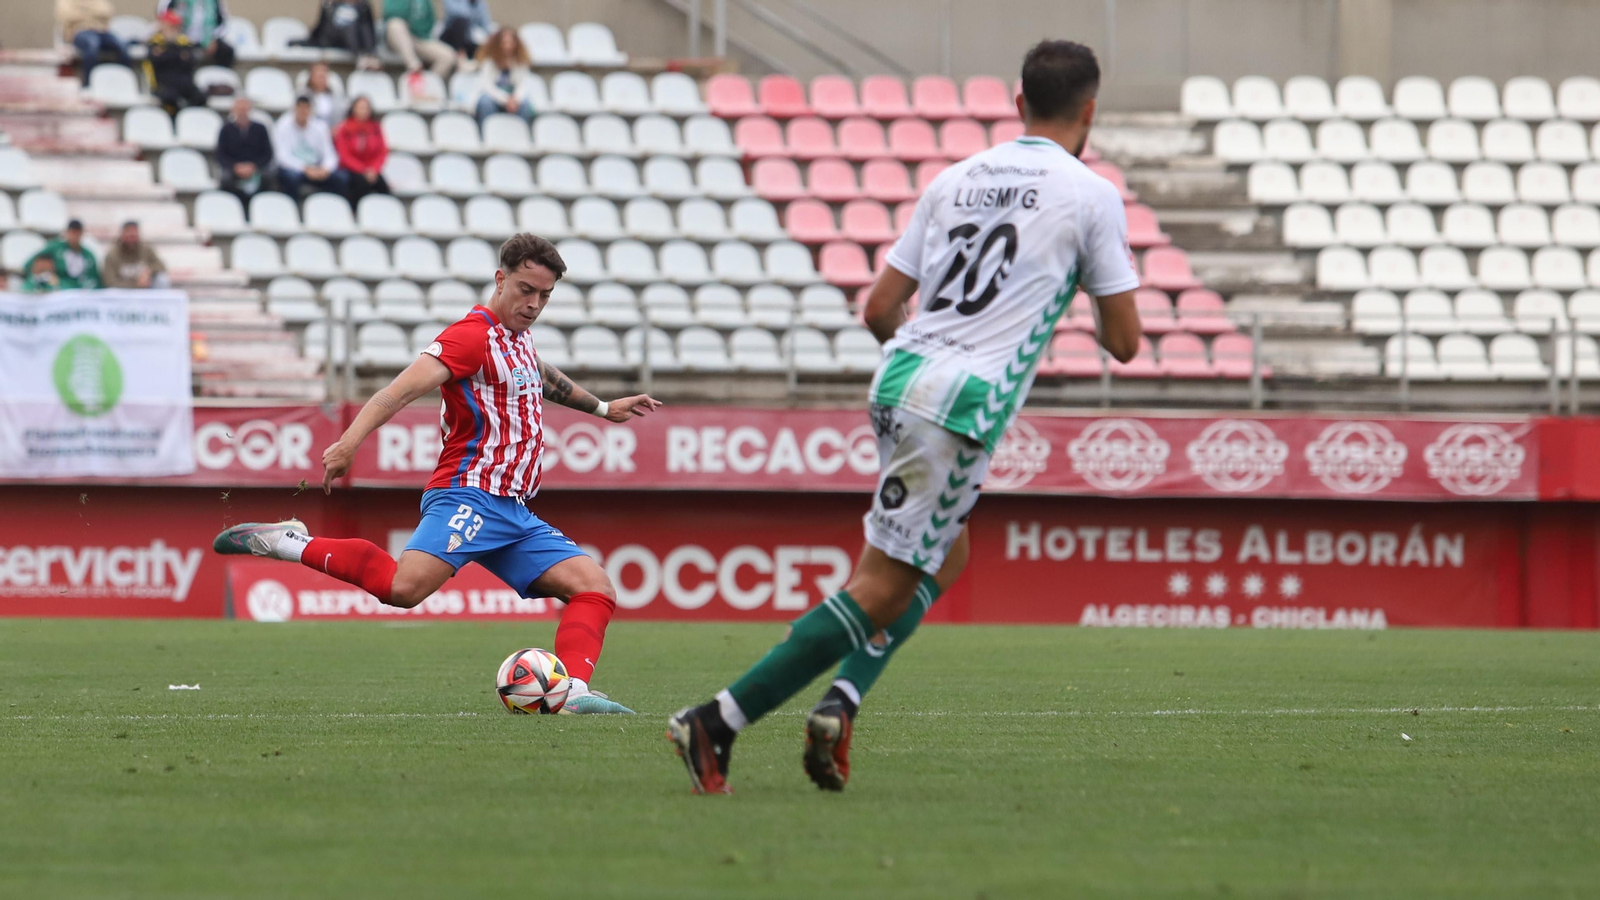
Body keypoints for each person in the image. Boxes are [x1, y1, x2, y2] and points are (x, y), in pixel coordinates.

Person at [666, 40, 1144, 795]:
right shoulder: (1090, 195)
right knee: (884, 586)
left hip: (898, 376)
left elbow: (879, 308)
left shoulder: (954, 179)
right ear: (1090, 111)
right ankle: (717, 719)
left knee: (938, 557)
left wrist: (925, 368)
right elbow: (1124, 342)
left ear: (1017, 103)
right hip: (959, 404)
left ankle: (841, 699)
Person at [213, 234, 664, 715]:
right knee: (404, 590)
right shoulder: (469, 336)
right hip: (468, 496)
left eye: (545, 295)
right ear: (500, 279)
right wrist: (348, 443)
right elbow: (396, 392)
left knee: (594, 588)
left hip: (512, 508)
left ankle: (571, 692)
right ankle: (289, 541)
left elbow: (540, 374)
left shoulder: (517, 340)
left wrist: (601, 408)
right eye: (526, 290)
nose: (534, 304)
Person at [275, 95, 345, 199]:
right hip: (296, 169)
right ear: (294, 109)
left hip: (317, 168)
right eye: (300, 108)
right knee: (290, 177)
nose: (303, 112)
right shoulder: (282, 126)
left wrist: (325, 168)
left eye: (306, 108)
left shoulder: (321, 127)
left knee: (341, 178)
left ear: (311, 110)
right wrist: (305, 168)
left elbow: (330, 154)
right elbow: (282, 157)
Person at [143, 10, 207, 113]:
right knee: (170, 98)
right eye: (171, 26)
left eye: (176, 26)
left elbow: (190, 61)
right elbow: (157, 61)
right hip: (163, 84)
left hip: (183, 83)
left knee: (200, 97)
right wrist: (177, 54)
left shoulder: (184, 42)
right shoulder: (154, 41)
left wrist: (167, 52)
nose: (175, 29)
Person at [58, 0, 132, 88]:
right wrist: (93, 12)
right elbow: (68, 16)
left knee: (122, 45)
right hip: (79, 32)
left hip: (102, 31)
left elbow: (107, 12)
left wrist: (82, 10)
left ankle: (123, 84)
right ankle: (88, 85)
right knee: (92, 45)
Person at [217, 96, 276, 202]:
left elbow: (268, 154)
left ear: (250, 110)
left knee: (269, 179)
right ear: (233, 110)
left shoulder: (260, 128)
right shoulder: (226, 129)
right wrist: (235, 167)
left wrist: (253, 166)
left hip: (256, 169)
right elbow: (221, 155)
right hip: (233, 170)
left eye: (244, 109)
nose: (242, 112)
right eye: (239, 109)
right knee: (226, 181)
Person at [471, 27, 535, 124]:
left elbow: (523, 84)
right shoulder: (489, 61)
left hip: (513, 96)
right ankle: (486, 132)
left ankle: (521, 134)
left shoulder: (521, 61)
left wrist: (515, 99)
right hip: (494, 97)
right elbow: (487, 86)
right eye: (504, 42)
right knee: (485, 102)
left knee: (525, 104)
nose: (507, 46)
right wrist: (506, 100)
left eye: (510, 42)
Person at [334, 96, 389, 204]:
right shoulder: (345, 128)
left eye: (365, 108)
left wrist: (374, 169)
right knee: (360, 184)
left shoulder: (375, 128)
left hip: (372, 170)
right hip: (352, 169)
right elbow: (344, 155)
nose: (363, 111)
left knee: (383, 186)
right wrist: (362, 170)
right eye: (360, 108)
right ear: (353, 109)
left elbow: (382, 151)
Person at [383, 0, 453, 80]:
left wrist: (420, 32)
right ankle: (414, 66)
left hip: (419, 38)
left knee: (448, 56)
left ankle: (427, 85)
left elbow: (430, 20)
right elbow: (390, 14)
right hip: (399, 37)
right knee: (395, 25)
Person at [28, 220, 105, 291]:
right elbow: (32, 263)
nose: (75, 236)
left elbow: (95, 278)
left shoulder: (88, 255)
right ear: (67, 233)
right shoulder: (55, 248)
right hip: (60, 286)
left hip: (81, 288)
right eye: (72, 233)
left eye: (77, 233)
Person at [154, 0, 234, 68]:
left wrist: (213, 38)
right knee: (175, 52)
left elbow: (223, 22)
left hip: (206, 39)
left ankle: (221, 80)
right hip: (181, 38)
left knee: (226, 51)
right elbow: (162, 14)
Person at [306, 0, 379, 70]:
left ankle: (370, 55)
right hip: (334, 39)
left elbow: (370, 28)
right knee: (349, 29)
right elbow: (322, 27)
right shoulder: (330, 5)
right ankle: (360, 58)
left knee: (364, 26)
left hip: (356, 39)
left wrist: (362, 7)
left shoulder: (363, 6)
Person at [103, 221, 170, 289]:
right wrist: (135, 284)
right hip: (123, 291)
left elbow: (161, 266)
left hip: (145, 290)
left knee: (161, 279)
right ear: (122, 235)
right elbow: (110, 282)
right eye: (129, 235)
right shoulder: (112, 254)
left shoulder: (146, 249)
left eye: (134, 235)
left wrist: (148, 271)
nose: (131, 239)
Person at [301, 62, 346, 129]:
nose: (321, 80)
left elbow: (341, 117)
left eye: (323, 76)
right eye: (319, 76)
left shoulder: (336, 96)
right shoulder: (303, 96)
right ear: (311, 77)